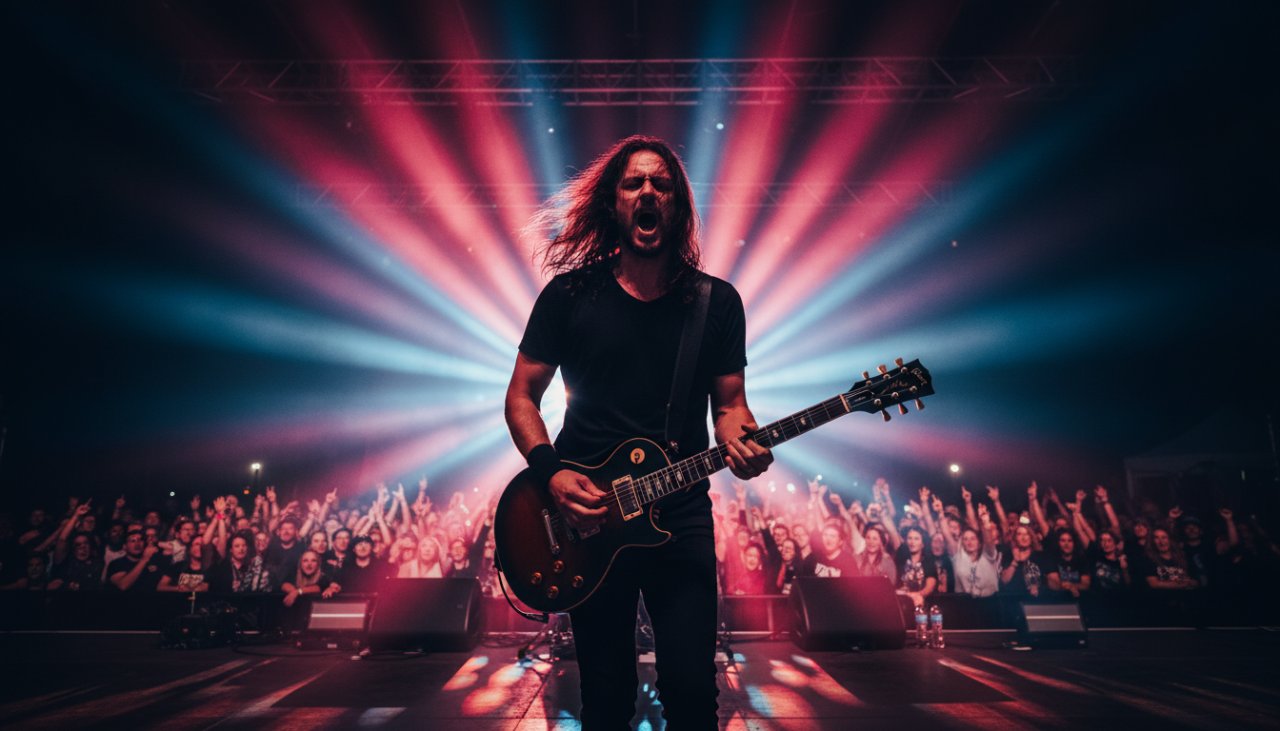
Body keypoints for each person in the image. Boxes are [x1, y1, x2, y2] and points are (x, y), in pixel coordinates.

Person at [505, 135, 773, 729]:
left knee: (691, 690)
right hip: (589, 518)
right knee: (604, 693)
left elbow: (731, 408)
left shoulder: (716, 303)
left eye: (662, 183)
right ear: (613, 203)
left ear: (676, 204)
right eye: (634, 183)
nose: (648, 192)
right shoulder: (570, 297)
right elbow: (521, 396)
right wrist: (551, 474)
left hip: (678, 516)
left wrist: (743, 439)